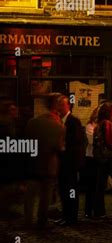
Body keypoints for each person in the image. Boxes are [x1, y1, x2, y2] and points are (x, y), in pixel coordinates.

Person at [24, 93, 65, 228]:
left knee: (30, 195)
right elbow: (60, 148)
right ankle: (42, 220)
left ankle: (28, 220)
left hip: (32, 164)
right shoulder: (59, 127)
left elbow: (26, 142)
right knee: (45, 196)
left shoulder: (32, 123)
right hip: (48, 165)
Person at [57, 95, 86, 226]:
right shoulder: (60, 120)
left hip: (70, 162)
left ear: (68, 106)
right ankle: (65, 215)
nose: (59, 107)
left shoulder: (73, 121)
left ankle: (71, 217)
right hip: (63, 162)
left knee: (71, 190)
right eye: (58, 104)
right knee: (64, 190)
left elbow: (77, 142)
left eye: (62, 104)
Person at [82, 107, 99, 218]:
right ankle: (88, 210)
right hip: (91, 157)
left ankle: (96, 209)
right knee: (91, 185)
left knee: (96, 185)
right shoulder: (89, 126)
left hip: (97, 157)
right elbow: (92, 141)